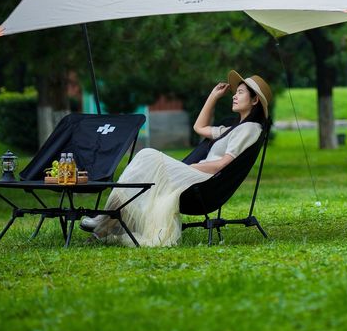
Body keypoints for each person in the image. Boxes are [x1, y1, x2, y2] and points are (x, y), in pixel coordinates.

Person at [80, 70, 272, 247]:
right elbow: (199, 127)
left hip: (203, 182)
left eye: (240, 92)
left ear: (255, 100)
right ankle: (105, 225)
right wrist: (212, 97)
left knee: (148, 156)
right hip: (197, 176)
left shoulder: (249, 129)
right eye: (235, 92)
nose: (234, 96)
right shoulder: (233, 128)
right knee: (144, 166)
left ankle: (104, 221)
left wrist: (194, 167)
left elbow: (222, 165)